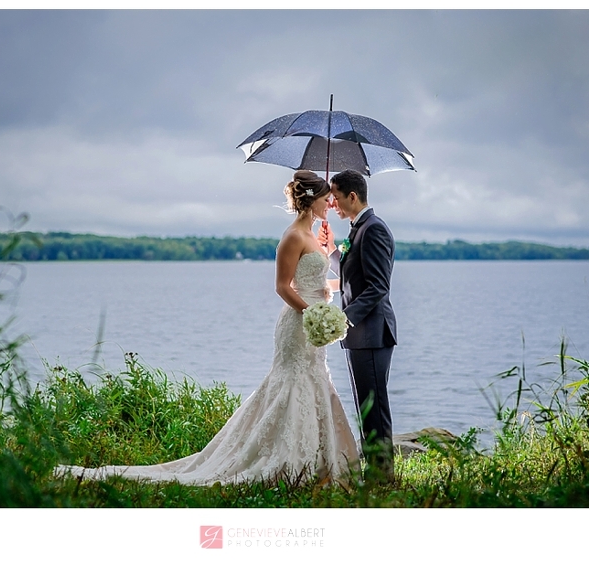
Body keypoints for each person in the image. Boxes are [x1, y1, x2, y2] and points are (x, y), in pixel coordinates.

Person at [55, 170, 360, 486]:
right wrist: (312, 312)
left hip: (313, 324)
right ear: (311, 201)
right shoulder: (293, 236)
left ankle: (319, 461)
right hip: (298, 325)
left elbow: (317, 284)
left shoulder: (316, 236)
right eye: (326, 199)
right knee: (293, 381)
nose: (330, 204)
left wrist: (333, 270)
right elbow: (283, 286)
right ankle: (284, 458)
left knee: (314, 380)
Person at [318, 169, 397, 482]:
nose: (332, 204)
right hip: (360, 335)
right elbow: (354, 275)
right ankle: (375, 472)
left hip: (372, 333)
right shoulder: (358, 228)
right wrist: (331, 251)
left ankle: (383, 476)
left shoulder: (374, 229)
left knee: (374, 408)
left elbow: (378, 287)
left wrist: (344, 317)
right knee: (366, 406)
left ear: (352, 196)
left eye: (335, 197)